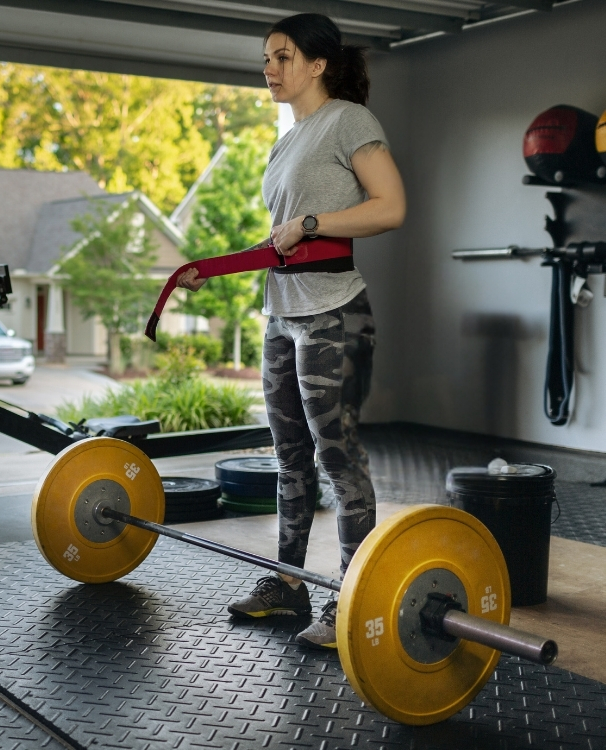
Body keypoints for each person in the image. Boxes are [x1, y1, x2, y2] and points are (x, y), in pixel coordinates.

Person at [176, 13, 406, 648]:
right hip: (282, 314)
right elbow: (283, 239)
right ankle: (286, 584)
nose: (269, 68)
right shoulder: (289, 139)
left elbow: (390, 207)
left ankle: (352, 600)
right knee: (289, 456)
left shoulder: (349, 120)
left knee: (339, 456)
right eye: (267, 58)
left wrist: (308, 219)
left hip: (335, 312)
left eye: (281, 57)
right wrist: (214, 270)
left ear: (317, 64)